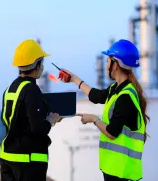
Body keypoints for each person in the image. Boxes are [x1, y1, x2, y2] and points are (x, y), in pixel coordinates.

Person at [61, 39, 150, 181]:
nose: (106, 64)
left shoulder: (125, 96)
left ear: (116, 65)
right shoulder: (116, 89)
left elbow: (112, 132)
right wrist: (73, 78)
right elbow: (95, 96)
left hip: (122, 171)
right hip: (114, 168)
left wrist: (94, 119)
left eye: (108, 61)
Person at [0, 39, 61, 181]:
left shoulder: (10, 89)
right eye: (41, 63)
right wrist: (51, 120)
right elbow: (38, 129)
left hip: (7, 158)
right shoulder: (31, 89)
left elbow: (10, 120)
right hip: (27, 162)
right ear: (37, 65)